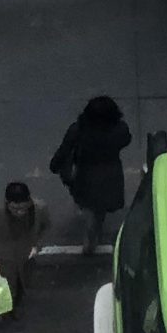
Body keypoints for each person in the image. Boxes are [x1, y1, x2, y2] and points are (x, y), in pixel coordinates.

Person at [50, 96, 132, 255]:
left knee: (89, 207)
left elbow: (65, 149)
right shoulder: (119, 129)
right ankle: (95, 231)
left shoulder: (79, 129)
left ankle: (90, 236)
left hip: (86, 173)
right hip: (110, 172)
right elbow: (126, 140)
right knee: (100, 208)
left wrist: (56, 165)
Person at [0, 180, 52, 315]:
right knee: (2, 288)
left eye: (23, 208)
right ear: (7, 203)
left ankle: (14, 305)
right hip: (1, 257)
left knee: (22, 285)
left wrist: (38, 246)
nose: (20, 212)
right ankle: (2, 312)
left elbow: (47, 228)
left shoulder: (40, 209)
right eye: (15, 209)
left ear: (29, 202)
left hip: (26, 255)